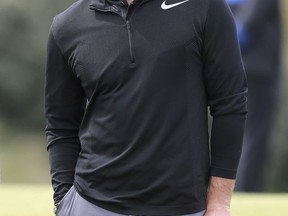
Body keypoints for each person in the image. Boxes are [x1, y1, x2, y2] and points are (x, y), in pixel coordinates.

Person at [44, 0, 248, 215]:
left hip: (181, 206)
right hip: (91, 203)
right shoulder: (67, 26)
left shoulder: (204, 7)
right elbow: (60, 125)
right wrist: (63, 202)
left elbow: (230, 104)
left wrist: (220, 202)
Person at [226, 0, 281, 192]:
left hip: (240, 70)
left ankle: (241, 189)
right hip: (258, 72)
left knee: (244, 135)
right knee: (255, 136)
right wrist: (226, 47)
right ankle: (246, 190)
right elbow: (248, 23)